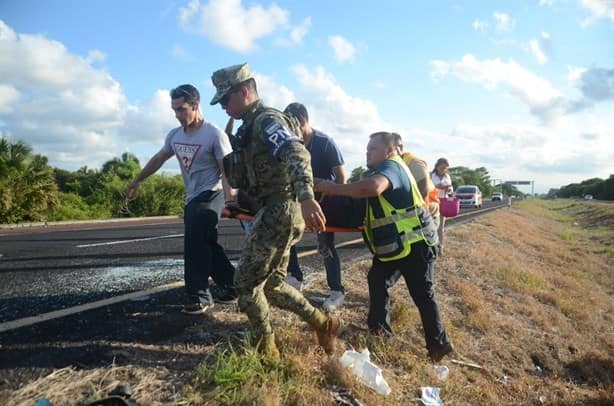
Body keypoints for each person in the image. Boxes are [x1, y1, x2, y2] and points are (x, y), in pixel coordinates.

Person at [210, 63, 342, 360]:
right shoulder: (250, 125)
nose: (224, 107)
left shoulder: (266, 121)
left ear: (244, 92)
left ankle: (267, 353)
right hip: (278, 210)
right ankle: (323, 323)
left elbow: (296, 152)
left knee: (244, 286)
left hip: (280, 209)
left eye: (225, 100)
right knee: (272, 285)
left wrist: (308, 197)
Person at [315, 132, 453, 362]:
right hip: (395, 247)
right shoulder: (377, 171)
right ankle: (379, 333)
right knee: (377, 280)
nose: (367, 152)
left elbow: (373, 188)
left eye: (373, 149)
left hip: (416, 244)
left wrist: (333, 188)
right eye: (367, 149)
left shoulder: (392, 166)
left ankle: (439, 346)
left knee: (423, 296)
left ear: (389, 151)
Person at [126, 84, 237, 315]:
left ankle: (199, 296)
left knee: (195, 239)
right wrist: (137, 180)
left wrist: (230, 200)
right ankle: (233, 284)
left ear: (195, 105)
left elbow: (226, 172)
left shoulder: (214, 134)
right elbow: (159, 158)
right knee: (206, 242)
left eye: (181, 109)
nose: (177, 115)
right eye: (174, 110)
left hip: (212, 193)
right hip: (193, 197)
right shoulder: (175, 136)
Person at [283, 102, 347, 311]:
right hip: (299, 201)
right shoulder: (292, 143)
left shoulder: (324, 142)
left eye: (292, 125)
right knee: (289, 237)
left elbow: (341, 177)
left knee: (325, 245)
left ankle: (337, 291)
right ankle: (294, 277)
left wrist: (325, 191)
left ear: (302, 121)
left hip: (323, 202)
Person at [391, 133, 440, 232]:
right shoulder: (393, 164)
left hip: (426, 214)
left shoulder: (412, 163)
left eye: (390, 149)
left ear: (400, 147)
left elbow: (423, 192)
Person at [430, 158, 453, 252]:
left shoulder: (447, 176)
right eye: (442, 167)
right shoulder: (431, 175)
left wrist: (450, 189)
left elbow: (450, 188)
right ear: (437, 166)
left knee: (441, 227)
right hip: (433, 202)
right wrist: (447, 187)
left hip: (443, 201)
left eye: (445, 168)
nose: (443, 169)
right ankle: (432, 246)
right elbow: (436, 186)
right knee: (432, 225)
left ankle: (440, 248)